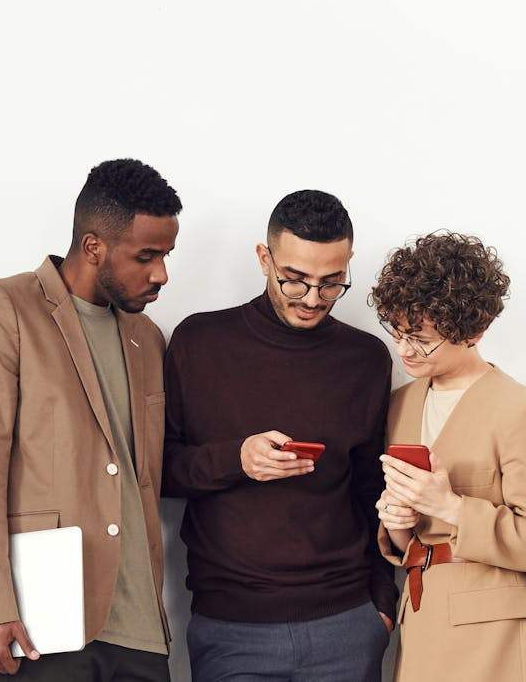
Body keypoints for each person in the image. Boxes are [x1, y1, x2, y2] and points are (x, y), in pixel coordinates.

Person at [0, 159, 181, 680]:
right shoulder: (2, 307)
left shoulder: (148, 339)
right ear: (93, 246)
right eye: (146, 256)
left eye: (166, 255)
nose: (161, 273)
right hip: (42, 622)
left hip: (141, 627)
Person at [161, 190, 396, 681]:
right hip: (232, 627)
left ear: (349, 262)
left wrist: (382, 599)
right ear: (264, 259)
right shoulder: (199, 342)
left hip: (348, 623)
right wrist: (236, 461)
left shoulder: (367, 359)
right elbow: (157, 470)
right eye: (295, 280)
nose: (313, 299)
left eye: (331, 283)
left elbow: (371, 491)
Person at [371, 231, 526, 682]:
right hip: (420, 616)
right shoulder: (400, 403)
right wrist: (397, 525)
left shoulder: (525, 411)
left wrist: (452, 508)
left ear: (472, 330)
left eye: (420, 338)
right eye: (398, 331)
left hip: (495, 628)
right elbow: (418, 544)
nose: (403, 349)